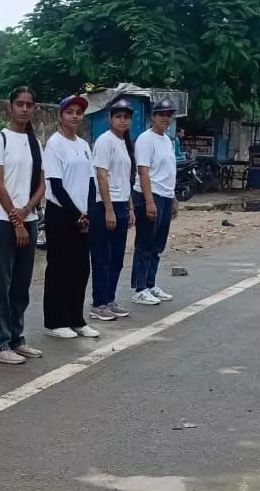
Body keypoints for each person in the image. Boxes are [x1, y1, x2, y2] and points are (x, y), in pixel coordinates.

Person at [0, 87, 46, 364]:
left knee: (21, 284)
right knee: (2, 283)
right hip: (2, 220)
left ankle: (16, 338)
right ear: (10, 107)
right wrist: (15, 218)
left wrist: (28, 211)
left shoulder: (35, 142)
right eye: (19, 104)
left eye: (29, 105)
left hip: (29, 220)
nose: (24, 109)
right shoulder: (0, 140)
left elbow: (42, 183)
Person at [41, 94, 99, 340]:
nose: (75, 116)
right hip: (61, 214)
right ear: (60, 115)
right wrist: (77, 213)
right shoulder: (55, 144)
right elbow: (55, 185)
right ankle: (56, 321)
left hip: (82, 216)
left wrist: (88, 212)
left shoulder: (83, 145)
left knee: (80, 269)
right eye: (70, 111)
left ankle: (76, 318)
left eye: (79, 112)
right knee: (59, 268)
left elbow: (90, 181)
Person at [89, 98, 136, 322]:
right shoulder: (104, 142)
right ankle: (98, 303)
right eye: (118, 116)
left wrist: (130, 207)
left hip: (122, 203)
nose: (122, 120)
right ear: (110, 119)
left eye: (126, 117)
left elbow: (126, 178)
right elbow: (101, 175)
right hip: (105, 204)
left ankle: (109, 299)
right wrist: (108, 209)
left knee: (117, 257)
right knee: (103, 256)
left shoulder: (125, 143)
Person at [132, 99, 178, 307]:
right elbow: (143, 171)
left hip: (166, 195)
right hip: (149, 195)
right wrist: (149, 201)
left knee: (158, 244)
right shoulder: (145, 139)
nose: (165, 119)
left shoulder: (167, 140)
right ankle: (140, 287)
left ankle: (151, 283)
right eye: (162, 115)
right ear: (153, 117)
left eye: (169, 115)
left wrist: (173, 197)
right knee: (145, 242)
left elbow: (169, 171)